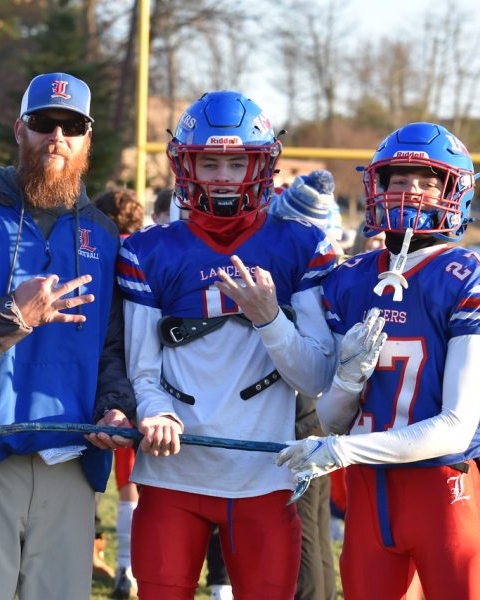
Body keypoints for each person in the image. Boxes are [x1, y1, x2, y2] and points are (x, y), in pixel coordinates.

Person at [0, 72, 135, 600]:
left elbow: (112, 349)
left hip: (71, 460)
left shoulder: (102, 234)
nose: (56, 135)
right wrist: (13, 315)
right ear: (20, 130)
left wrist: (115, 407)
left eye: (71, 125)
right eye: (43, 122)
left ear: (87, 139)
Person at [277, 122, 480, 600]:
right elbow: (330, 418)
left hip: (443, 489)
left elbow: (456, 425)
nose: (411, 192)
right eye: (400, 179)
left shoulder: (468, 276)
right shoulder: (351, 278)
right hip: (369, 494)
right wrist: (347, 380)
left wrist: (344, 450)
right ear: (377, 186)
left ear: (455, 193)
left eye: (428, 182)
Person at [116, 90, 337, 599]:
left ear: (259, 166)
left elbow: (316, 377)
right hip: (173, 471)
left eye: (235, 163)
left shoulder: (300, 244)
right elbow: (143, 371)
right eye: (208, 162)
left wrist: (268, 320)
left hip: (264, 476)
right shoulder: (149, 250)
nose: (220, 176)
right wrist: (153, 409)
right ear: (185, 166)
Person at [268, 170, 341, 600]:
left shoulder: (297, 260)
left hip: (300, 398)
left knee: (303, 522)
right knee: (314, 519)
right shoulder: (329, 255)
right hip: (322, 400)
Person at [92, 187, 143, 598]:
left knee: (85, 475)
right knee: (132, 482)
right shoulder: (147, 253)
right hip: (141, 378)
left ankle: (89, 551)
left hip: (97, 377)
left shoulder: (94, 254)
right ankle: (128, 567)